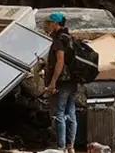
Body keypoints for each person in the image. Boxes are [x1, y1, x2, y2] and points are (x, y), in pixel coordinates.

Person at [44, 12, 78, 153]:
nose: (48, 25)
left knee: (59, 114)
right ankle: (71, 146)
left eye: (50, 23)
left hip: (63, 82)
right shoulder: (69, 37)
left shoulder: (58, 40)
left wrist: (53, 82)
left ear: (56, 24)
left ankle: (61, 147)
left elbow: (60, 61)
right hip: (73, 81)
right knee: (71, 114)